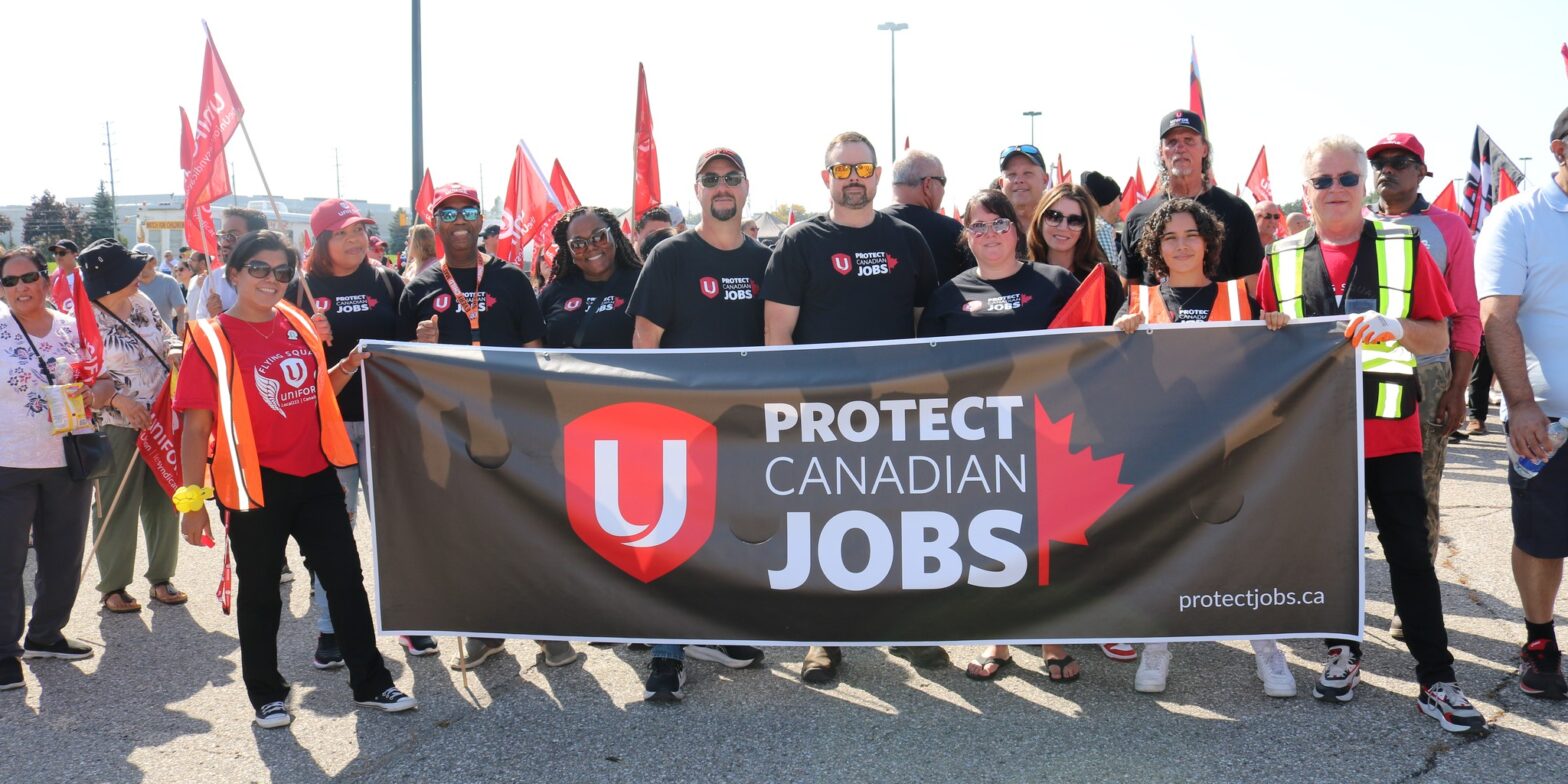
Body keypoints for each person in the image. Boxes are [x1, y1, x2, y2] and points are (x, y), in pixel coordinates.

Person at [1258, 135, 1485, 733]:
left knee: (1409, 553)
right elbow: (1262, 346)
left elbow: (1438, 336)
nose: (1335, 189)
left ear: (1364, 185)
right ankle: (1342, 650)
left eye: (1347, 179)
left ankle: (1437, 678)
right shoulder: (1279, 257)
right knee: (1332, 551)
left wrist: (1397, 326)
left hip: (1389, 428)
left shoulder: (1404, 245)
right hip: (1315, 435)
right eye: (1322, 181)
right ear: (1305, 192)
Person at [176, 230, 415, 727]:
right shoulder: (209, 338)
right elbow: (196, 427)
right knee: (261, 592)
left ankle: (372, 682)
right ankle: (266, 694)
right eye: (259, 269)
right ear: (234, 273)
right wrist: (192, 502)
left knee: (346, 581)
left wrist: (346, 366)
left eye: (283, 271)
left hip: (316, 476)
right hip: (252, 484)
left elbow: (315, 391)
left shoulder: (299, 322)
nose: (272, 279)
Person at [763, 131, 937, 684]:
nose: (853, 179)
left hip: (896, 409)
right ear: (827, 178)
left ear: (878, 175)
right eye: (842, 170)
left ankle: (907, 627)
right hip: (822, 410)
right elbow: (777, 334)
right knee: (825, 523)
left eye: (862, 169)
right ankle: (825, 635)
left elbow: (924, 327)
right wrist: (790, 407)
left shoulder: (908, 239)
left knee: (901, 518)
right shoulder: (799, 242)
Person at [1108, 198, 1296, 697]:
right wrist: (1118, 335)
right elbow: (1110, 378)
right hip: (1163, 453)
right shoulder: (1137, 302)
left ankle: (1266, 646)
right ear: (1156, 248)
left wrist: (1280, 330)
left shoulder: (1240, 297)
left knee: (1241, 548)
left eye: (1191, 234)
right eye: (1170, 237)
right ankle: (1157, 645)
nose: (1182, 245)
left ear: (1209, 242)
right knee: (1162, 548)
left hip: (1231, 448)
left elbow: (1270, 367)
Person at [396, 183, 576, 672]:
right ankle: (485, 632)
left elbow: (535, 351)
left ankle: (547, 628)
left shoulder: (510, 278)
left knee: (527, 527)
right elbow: (402, 372)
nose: (459, 221)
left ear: (480, 219)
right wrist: (422, 347)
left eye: (468, 211)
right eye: (448, 213)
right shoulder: (420, 288)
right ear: (434, 223)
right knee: (470, 534)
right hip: (452, 431)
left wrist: (536, 421)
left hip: (511, 422)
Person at [626, 147, 771, 700]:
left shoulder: (767, 261)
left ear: (746, 186)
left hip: (743, 428)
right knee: (674, 539)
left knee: (730, 539)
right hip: (679, 424)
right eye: (711, 179)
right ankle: (666, 655)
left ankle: (713, 632)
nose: (722, 186)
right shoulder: (672, 255)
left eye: (731, 177)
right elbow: (645, 342)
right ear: (698, 191)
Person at [287, 199, 436, 664]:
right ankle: (330, 629)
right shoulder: (299, 289)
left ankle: (411, 621)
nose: (355, 240)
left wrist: (424, 339)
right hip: (326, 427)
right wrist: (305, 337)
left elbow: (408, 346)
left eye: (359, 231)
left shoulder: (388, 281)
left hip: (385, 422)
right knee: (332, 532)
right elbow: (279, 358)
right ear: (321, 240)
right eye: (342, 232)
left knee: (396, 526)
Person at [1367, 133, 1483, 640]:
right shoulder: (1357, 224)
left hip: (1426, 371)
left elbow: (1467, 313)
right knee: (1350, 491)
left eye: (1400, 162)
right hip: (1359, 373)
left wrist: (1458, 388)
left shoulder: (1448, 228)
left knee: (1419, 490)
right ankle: (1342, 601)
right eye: (1379, 163)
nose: (1387, 170)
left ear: (1421, 172)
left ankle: (1411, 602)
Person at [1473, 106, 1568, 701]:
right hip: (1550, 420)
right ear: (1560, 148)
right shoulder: (1519, 216)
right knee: (1542, 536)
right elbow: (1497, 315)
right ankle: (1540, 641)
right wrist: (1522, 403)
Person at [0, 246, 100, 690]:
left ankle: (46, 634)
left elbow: (102, 377)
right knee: (6, 561)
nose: (21, 287)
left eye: (28, 277)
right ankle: (4, 652)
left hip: (67, 459)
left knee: (63, 556)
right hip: (8, 462)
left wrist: (100, 390)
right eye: (10, 281)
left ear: (45, 279)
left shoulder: (72, 328)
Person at [77, 241, 186, 614]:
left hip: (161, 415)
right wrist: (118, 400)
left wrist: (174, 349)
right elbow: (78, 379)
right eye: (130, 271)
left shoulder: (141, 301)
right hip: (116, 423)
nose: (139, 274)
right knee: (116, 504)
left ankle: (161, 577)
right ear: (110, 280)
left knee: (164, 498)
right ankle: (113, 586)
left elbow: (167, 334)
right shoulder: (81, 320)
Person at [1120, 110, 1265, 294]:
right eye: (1172, 142)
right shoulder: (1137, 216)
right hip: (1156, 313)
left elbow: (1252, 287)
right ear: (1161, 152)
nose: (1180, 148)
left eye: (1189, 140)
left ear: (1204, 149)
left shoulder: (1236, 210)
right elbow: (1129, 292)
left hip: (1222, 313)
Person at [538, 206, 641, 349]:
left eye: (599, 237)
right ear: (570, 251)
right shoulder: (552, 293)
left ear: (615, 236)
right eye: (578, 244)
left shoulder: (643, 284)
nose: (591, 247)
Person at [1026, 184, 1128, 326]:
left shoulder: (1105, 279)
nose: (1063, 227)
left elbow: (1117, 334)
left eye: (1075, 220)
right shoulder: (1021, 275)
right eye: (1054, 216)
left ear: (1085, 228)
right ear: (1040, 220)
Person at [885, 150, 972, 282]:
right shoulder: (952, 231)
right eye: (943, 182)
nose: (944, 190)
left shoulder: (870, 227)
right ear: (927, 184)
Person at [189, 207, 269, 320]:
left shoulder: (276, 277)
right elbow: (201, 323)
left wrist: (223, 317)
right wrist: (213, 318)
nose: (225, 243)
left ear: (257, 238)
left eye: (232, 236)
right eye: (223, 236)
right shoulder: (213, 279)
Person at [1080, 171, 1125, 269]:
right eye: (1120, 198)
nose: (1121, 204)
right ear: (1110, 202)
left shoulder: (1093, 225)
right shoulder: (1102, 229)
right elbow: (1110, 270)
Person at [1000, 144, 1050, 231]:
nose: (1019, 180)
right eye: (1012, 174)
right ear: (1001, 184)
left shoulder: (1063, 227)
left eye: (1027, 173)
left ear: (1045, 180)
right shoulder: (988, 232)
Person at [134, 250, 186, 332]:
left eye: (140, 262)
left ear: (153, 262)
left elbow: (180, 308)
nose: (137, 266)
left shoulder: (168, 281)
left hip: (164, 336)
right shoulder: (130, 285)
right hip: (137, 337)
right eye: (134, 262)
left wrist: (181, 324)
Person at [47, 239, 80, 314]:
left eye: (62, 253)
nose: (58, 256)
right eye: (55, 253)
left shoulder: (83, 276)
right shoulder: (56, 278)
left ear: (75, 254)